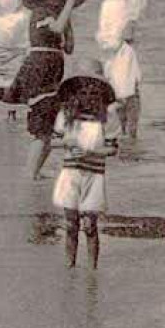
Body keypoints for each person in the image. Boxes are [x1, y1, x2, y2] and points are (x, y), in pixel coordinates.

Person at [86, 0, 156, 141]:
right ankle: (120, 129)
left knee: (127, 79)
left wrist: (132, 22)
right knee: (112, 78)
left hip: (123, 15)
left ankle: (131, 132)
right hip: (108, 15)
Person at [13, 0, 86, 179]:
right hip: (40, 69)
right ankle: (30, 174)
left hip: (52, 69)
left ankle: (34, 172)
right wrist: (70, 3)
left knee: (48, 126)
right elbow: (55, 29)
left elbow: (69, 47)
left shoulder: (58, 14)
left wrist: (68, 17)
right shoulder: (40, 12)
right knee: (43, 128)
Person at [50, 71, 116, 269]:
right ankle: (70, 266)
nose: (88, 95)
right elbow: (52, 142)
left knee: (90, 226)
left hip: (94, 174)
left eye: (92, 91)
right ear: (74, 93)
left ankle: (92, 270)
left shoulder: (107, 117)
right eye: (83, 91)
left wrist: (91, 151)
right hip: (70, 173)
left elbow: (113, 148)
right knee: (71, 225)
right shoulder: (66, 116)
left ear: (100, 93)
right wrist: (67, 142)